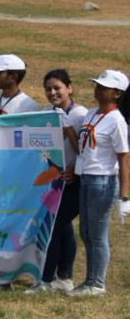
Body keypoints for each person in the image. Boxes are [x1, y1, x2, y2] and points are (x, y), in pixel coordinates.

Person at [68, 69, 130, 297]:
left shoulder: (117, 121)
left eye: (103, 87)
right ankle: (89, 280)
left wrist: (124, 196)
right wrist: (67, 128)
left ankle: (97, 283)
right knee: (85, 231)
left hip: (103, 181)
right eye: (97, 85)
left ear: (116, 93)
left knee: (97, 233)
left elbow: (123, 158)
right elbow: (82, 149)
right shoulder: (92, 114)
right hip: (86, 177)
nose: (97, 89)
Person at [27, 69, 88, 294]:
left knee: (53, 226)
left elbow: (86, 149)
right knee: (63, 229)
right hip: (52, 181)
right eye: (48, 89)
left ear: (69, 89)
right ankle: (64, 277)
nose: (52, 93)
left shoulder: (80, 114)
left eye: (57, 88)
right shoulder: (46, 112)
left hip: (73, 181)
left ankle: (46, 280)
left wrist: (74, 169)